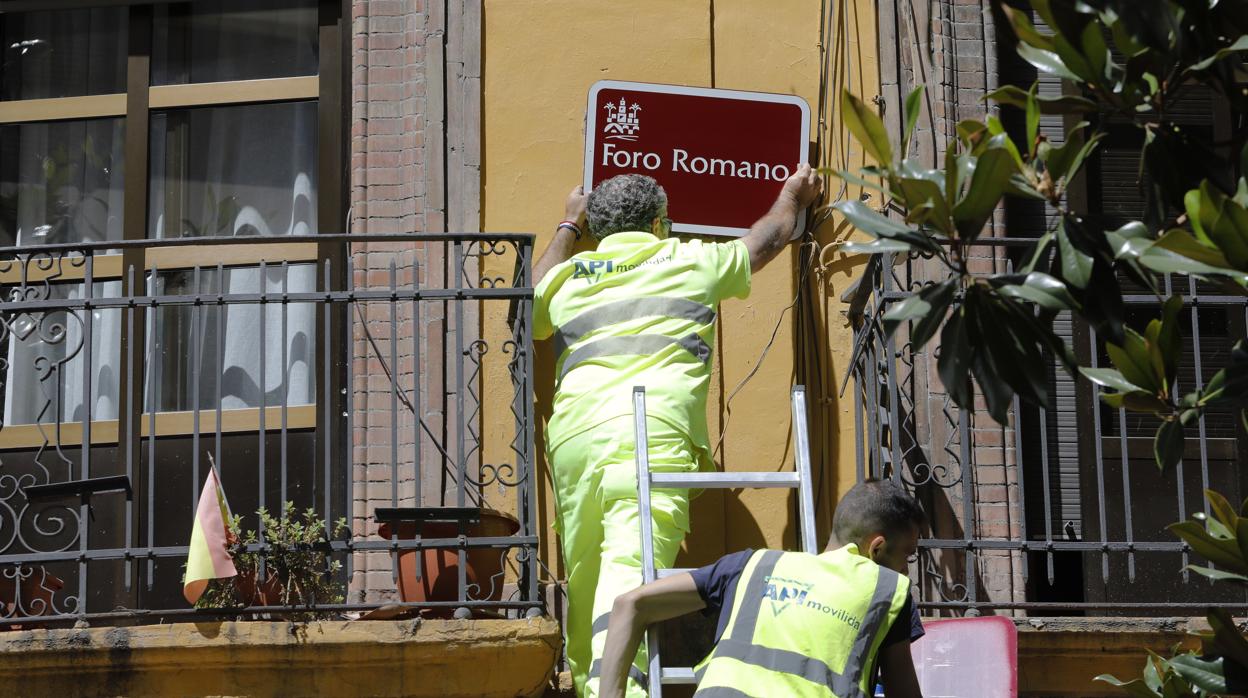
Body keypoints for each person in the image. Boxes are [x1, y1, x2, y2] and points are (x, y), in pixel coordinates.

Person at [533, 166, 823, 697]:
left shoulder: (568, 276)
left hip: (574, 437)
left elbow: (530, 300)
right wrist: (789, 196)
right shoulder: (688, 257)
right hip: (651, 430)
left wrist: (568, 225)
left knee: (585, 574)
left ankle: (586, 685)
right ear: (660, 222)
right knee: (630, 568)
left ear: (597, 227)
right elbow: (765, 241)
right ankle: (615, 692)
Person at [599, 478, 927, 698]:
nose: (905, 568)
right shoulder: (887, 591)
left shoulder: (753, 565)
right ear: (877, 548)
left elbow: (630, 604)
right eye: (907, 555)